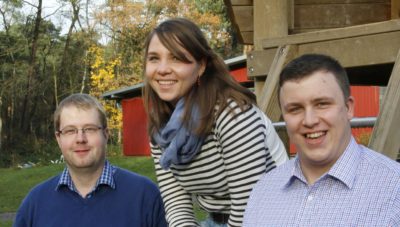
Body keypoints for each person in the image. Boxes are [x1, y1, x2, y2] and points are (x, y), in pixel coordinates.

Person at [142, 17, 287, 227]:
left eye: (176, 58)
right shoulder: (160, 131)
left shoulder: (232, 114)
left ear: (200, 66)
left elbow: (249, 205)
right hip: (214, 221)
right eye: (154, 58)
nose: (162, 69)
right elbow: (175, 204)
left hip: (269, 217)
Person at [243, 54, 400, 226]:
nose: (309, 120)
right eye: (295, 109)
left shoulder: (394, 189)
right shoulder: (263, 191)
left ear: (348, 108)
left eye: (322, 104)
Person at [14, 93, 167, 227]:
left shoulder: (145, 196)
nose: (80, 139)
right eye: (70, 131)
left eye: (90, 129)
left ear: (106, 134)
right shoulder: (34, 204)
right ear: (58, 138)